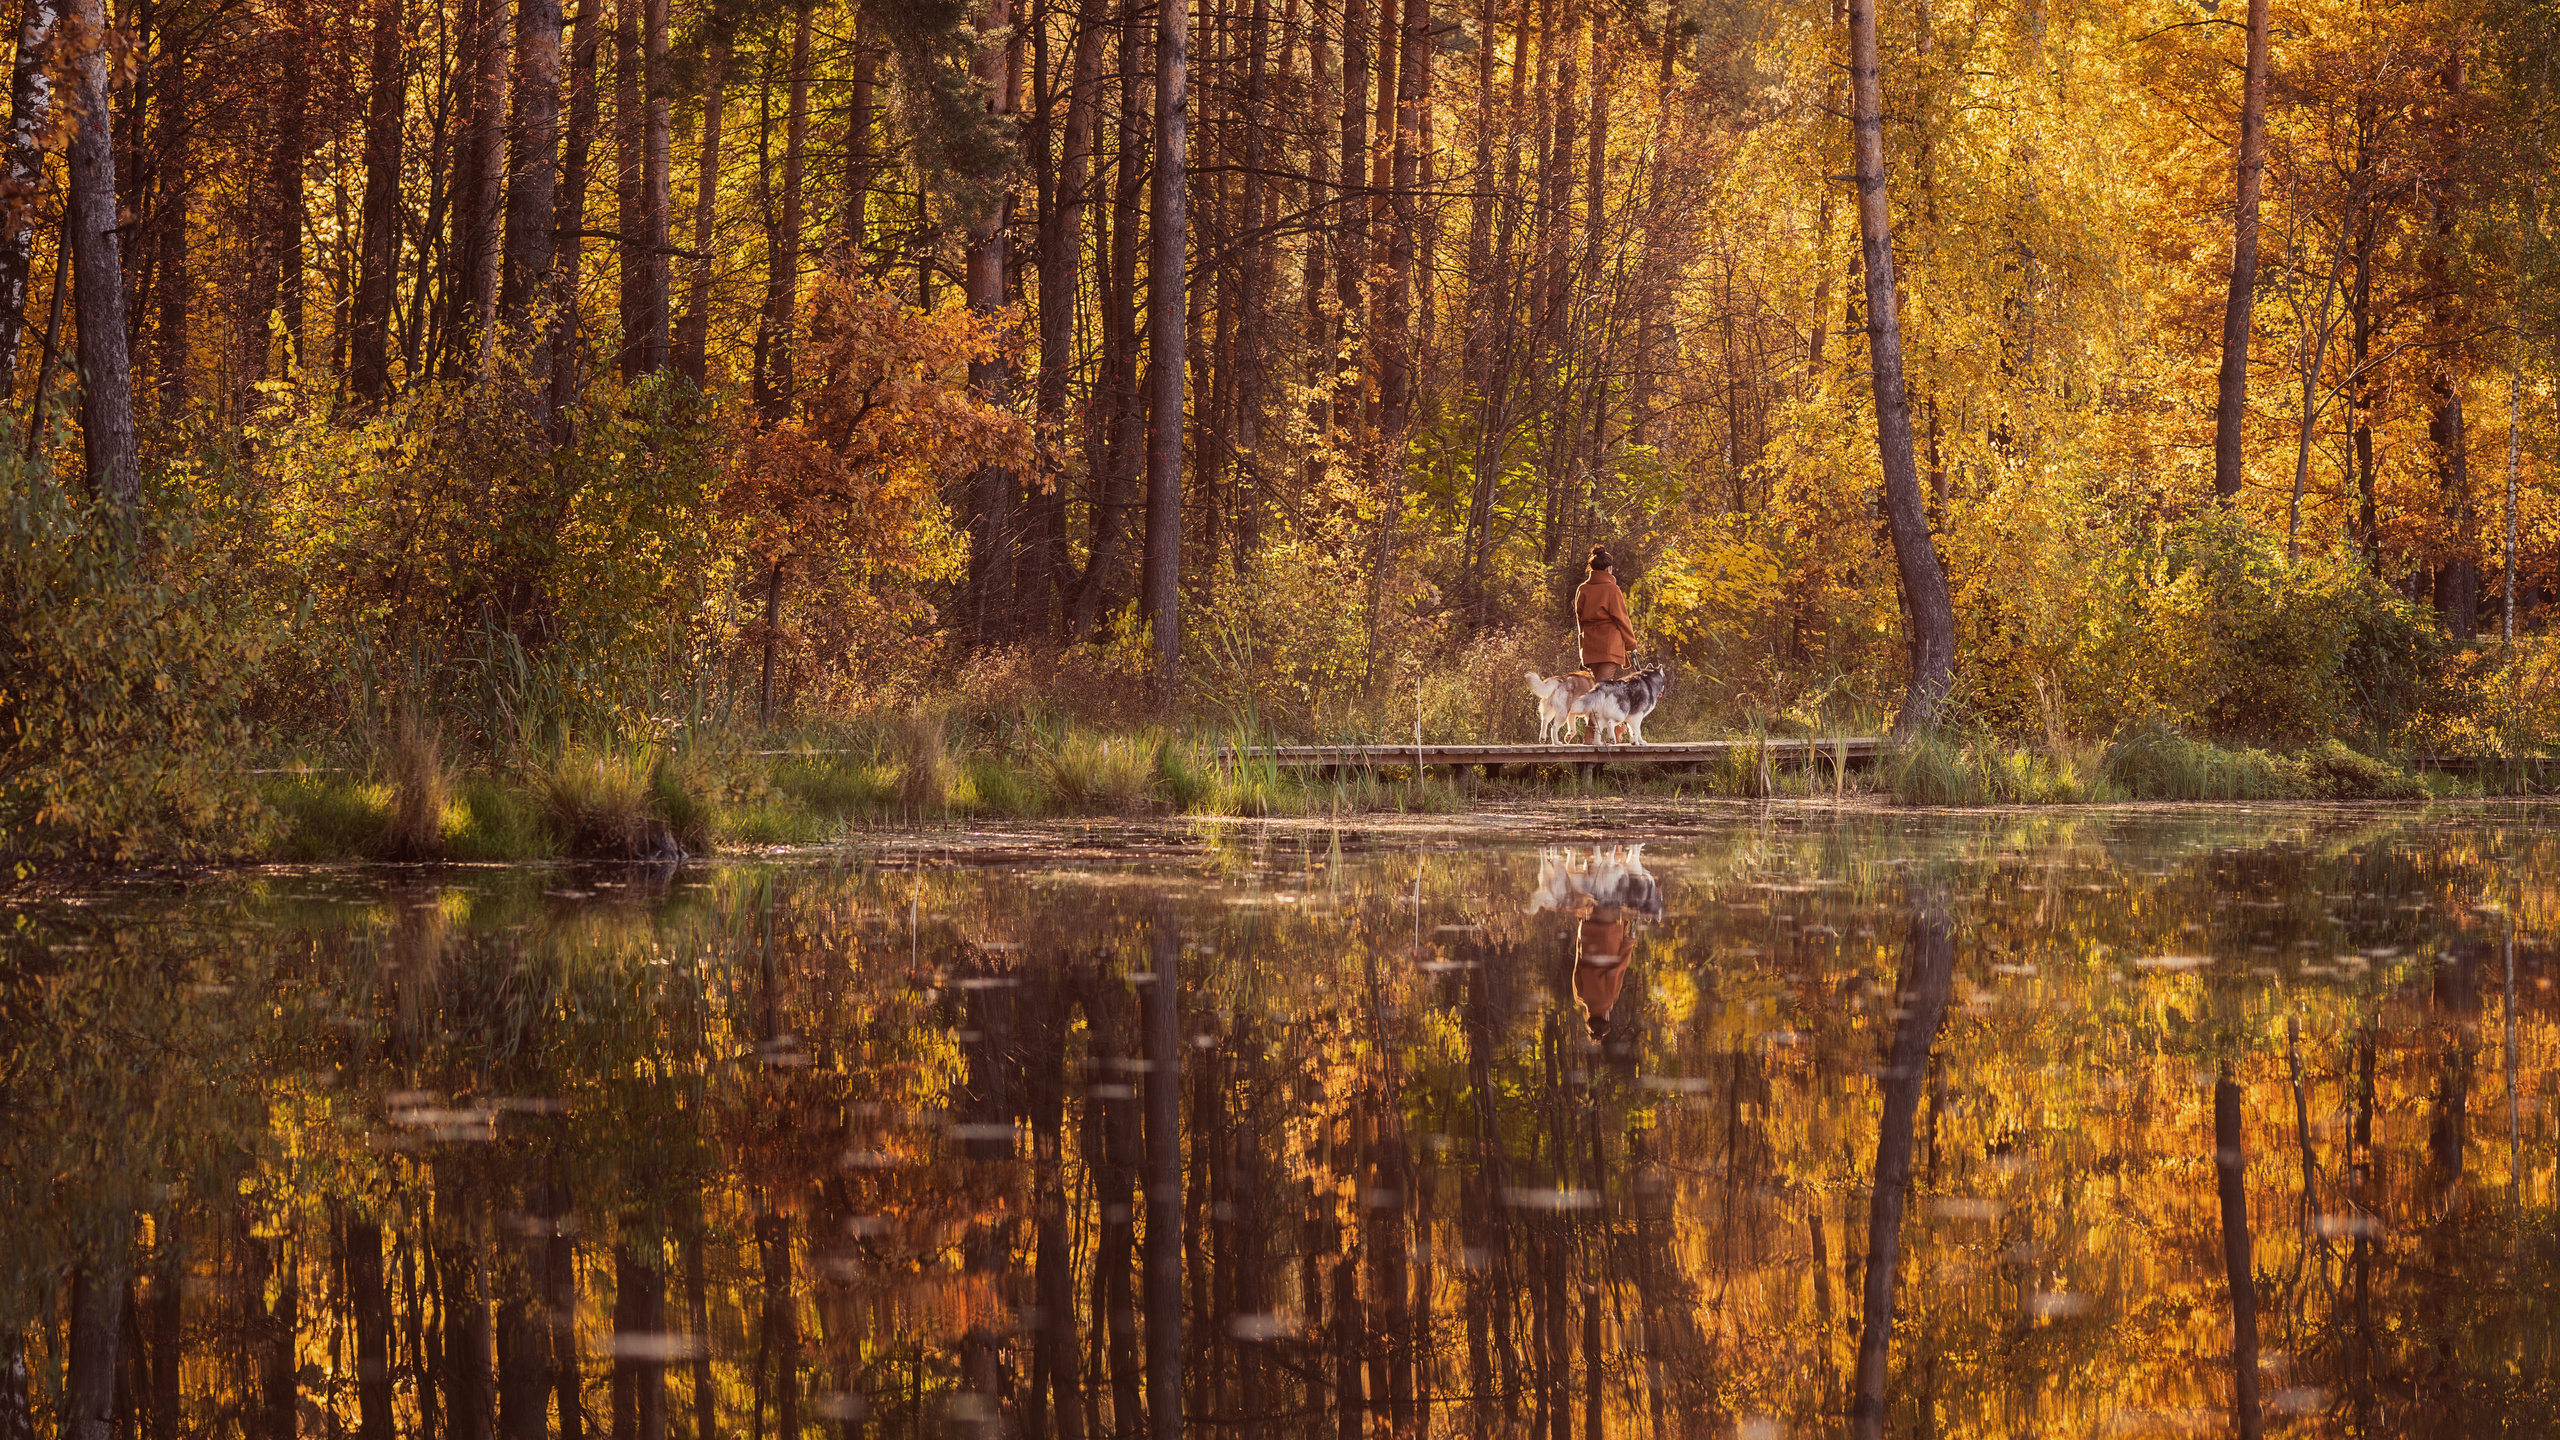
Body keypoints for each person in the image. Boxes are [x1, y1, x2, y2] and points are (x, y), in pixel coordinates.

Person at [1574, 544, 1637, 681]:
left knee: (1597, 688)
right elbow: (1622, 619)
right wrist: (1631, 645)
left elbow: (1580, 622)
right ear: (1609, 568)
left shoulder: (1582, 589)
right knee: (1601, 689)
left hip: (1590, 644)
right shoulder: (1612, 589)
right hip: (1610, 645)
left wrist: (1582, 649)